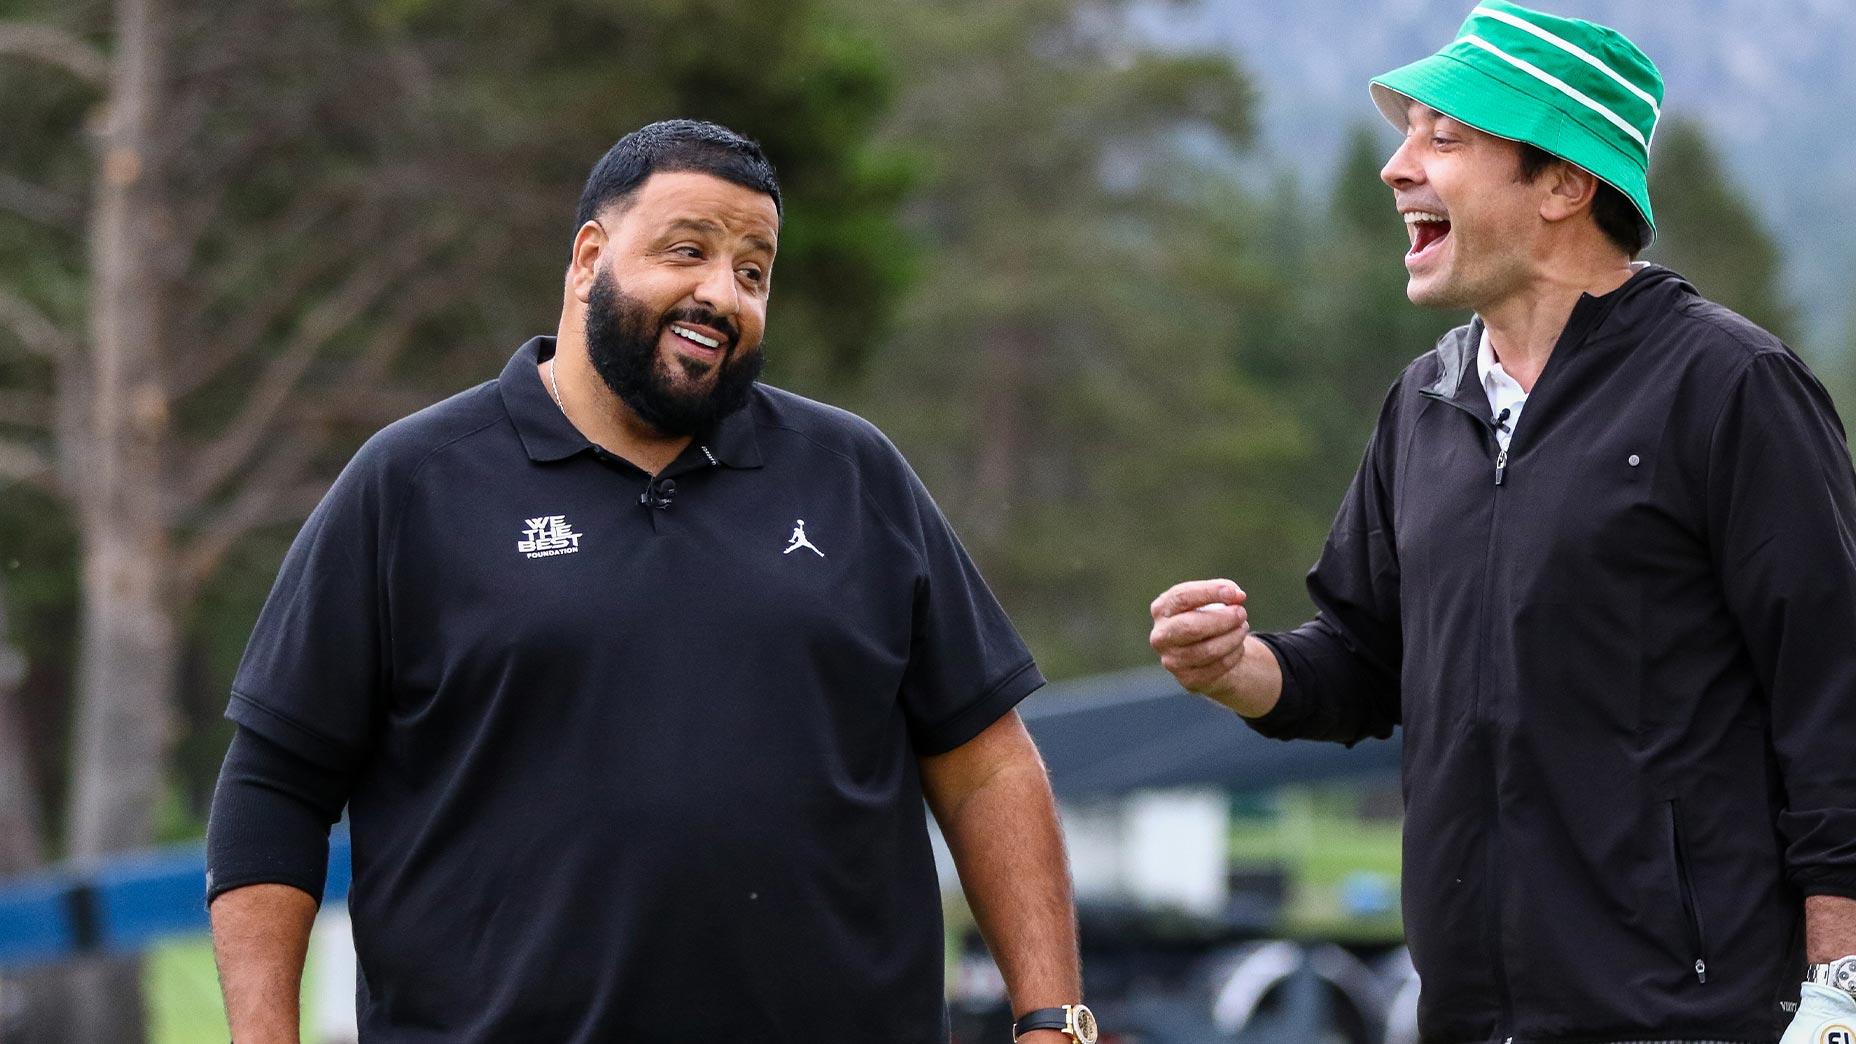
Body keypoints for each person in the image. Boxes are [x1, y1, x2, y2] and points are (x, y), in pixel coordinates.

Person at [206, 119, 1094, 1044]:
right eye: (688, 252)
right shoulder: (412, 484)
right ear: (590, 256)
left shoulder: (852, 475)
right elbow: (276, 785)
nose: (723, 294)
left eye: (754, 272)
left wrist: (1052, 1020)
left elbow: (987, 764)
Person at [1149, 3, 1856, 1041]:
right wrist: (1238, 668)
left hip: (1694, 1012)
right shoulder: (1423, 402)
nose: (1397, 168)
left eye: (1445, 138)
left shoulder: (1728, 385)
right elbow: (1359, 657)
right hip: (1470, 1014)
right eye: (1406, 136)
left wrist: (1837, 983)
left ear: (1564, 183)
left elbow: (1829, 687)